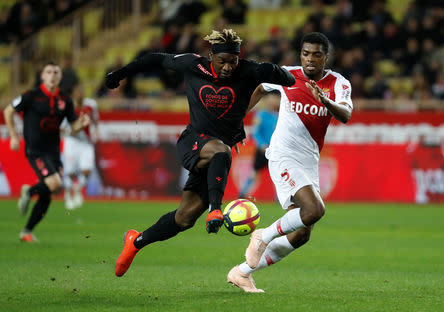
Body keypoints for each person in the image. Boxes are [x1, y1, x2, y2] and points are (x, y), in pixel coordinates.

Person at [104, 28, 295, 278]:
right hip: (193, 140)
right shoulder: (193, 64)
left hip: (215, 155)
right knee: (221, 151)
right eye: (222, 61)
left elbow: (288, 79)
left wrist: (278, 73)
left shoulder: (249, 70)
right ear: (211, 56)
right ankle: (215, 209)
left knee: (184, 218)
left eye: (233, 61)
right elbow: (153, 58)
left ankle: (135, 243)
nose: (228, 67)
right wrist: (119, 74)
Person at [227, 32, 353, 292]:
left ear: (325, 57)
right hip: (283, 155)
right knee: (315, 210)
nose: (310, 59)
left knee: (302, 232)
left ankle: (242, 272)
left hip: (309, 161)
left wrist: (326, 102)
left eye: (316, 54)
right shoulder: (288, 75)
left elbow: (346, 114)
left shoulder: (338, 83)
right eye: (306, 53)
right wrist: (238, 118)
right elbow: (261, 86)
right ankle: (263, 234)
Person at [3, 61, 90, 242]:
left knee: (48, 195)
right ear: (42, 76)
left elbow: (73, 127)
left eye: (56, 72)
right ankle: (28, 192)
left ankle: (26, 231)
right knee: (55, 183)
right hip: (35, 150)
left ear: (60, 77)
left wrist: (80, 125)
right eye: (49, 72)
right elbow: (8, 111)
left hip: (53, 152)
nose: (52, 75)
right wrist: (13, 136)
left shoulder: (65, 100)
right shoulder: (31, 95)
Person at [62, 85, 99, 210]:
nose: (80, 93)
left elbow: (95, 120)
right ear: (73, 94)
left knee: (87, 170)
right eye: (78, 91)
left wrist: (96, 132)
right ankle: (67, 194)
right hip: (71, 142)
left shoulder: (91, 105)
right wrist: (78, 127)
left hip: (86, 143)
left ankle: (77, 190)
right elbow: (63, 129)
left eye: (82, 91)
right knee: (71, 173)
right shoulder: (67, 107)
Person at [238, 90, 279, 199]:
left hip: (274, 150)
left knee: (277, 175)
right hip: (262, 150)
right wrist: (262, 145)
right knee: (255, 174)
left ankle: (279, 198)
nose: (272, 101)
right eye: (270, 98)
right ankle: (242, 194)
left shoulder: (277, 116)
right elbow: (255, 132)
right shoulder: (260, 115)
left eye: (275, 98)